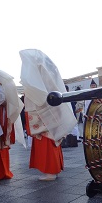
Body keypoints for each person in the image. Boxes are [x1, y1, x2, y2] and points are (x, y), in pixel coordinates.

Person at [20, 49, 77, 181]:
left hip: (43, 113)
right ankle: (53, 170)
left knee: (46, 141)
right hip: (51, 111)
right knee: (53, 141)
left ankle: (50, 172)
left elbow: (38, 95)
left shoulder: (37, 76)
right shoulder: (47, 72)